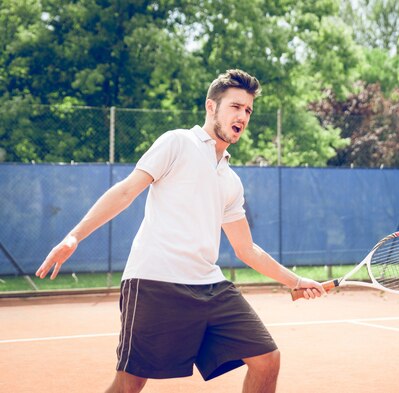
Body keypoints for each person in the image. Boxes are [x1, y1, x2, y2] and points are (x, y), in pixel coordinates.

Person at [36, 69, 326, 393]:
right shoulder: (176, 143)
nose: (243, 116)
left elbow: (247, 249)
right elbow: (126, 191)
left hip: (209, 287)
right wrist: (73, 236)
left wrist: (296, 281)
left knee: (267, 359)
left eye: (248, 110)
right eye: (235, 106)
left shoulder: (230, 181)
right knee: (129, 384)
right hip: (153, 281)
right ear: (211, 107)